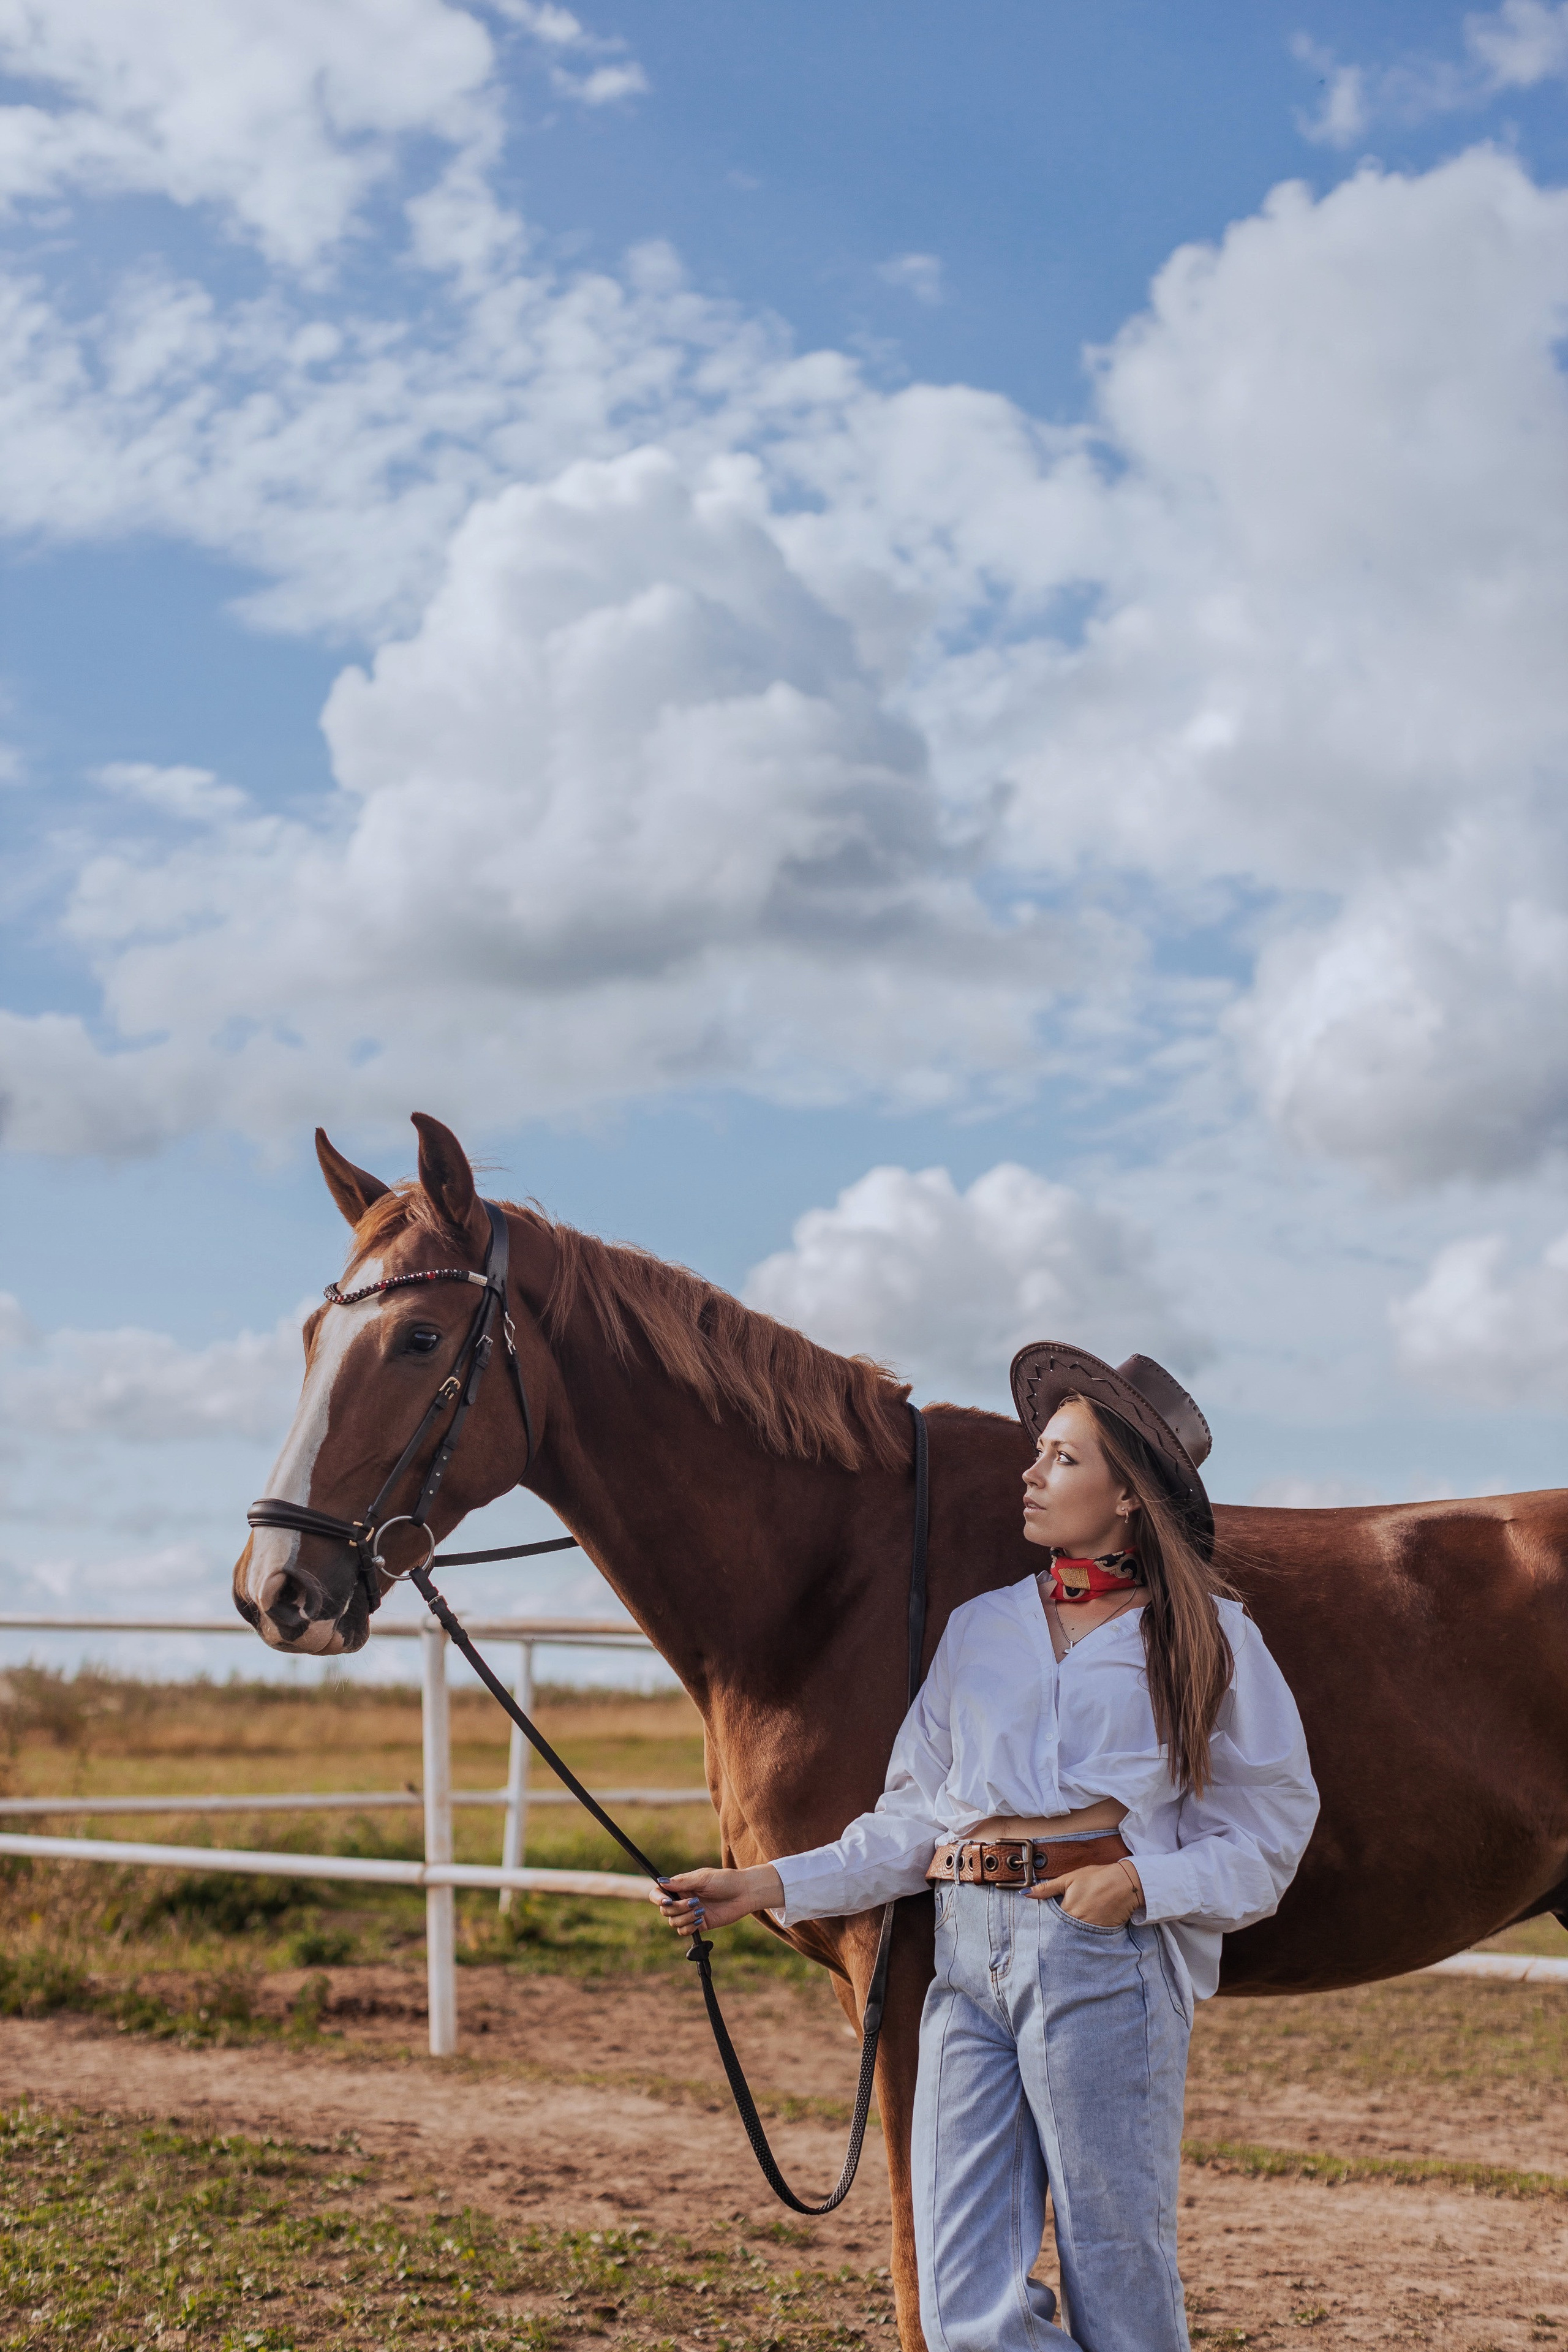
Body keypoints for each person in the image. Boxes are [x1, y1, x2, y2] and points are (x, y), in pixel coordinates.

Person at [652, 1341, 1319, 2352]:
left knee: (1121, 2285)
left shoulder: (1211, 1640)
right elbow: (915, 1821)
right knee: (964, 2314)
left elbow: (1272, 1831)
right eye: (1039, 1451)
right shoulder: (982, 1630)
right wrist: (766, 1882)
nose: (1031, 1472)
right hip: (965, 1957)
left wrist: (1141, 1883)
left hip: (1101, 1956)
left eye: (1063, 1458)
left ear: (1129, 1497)